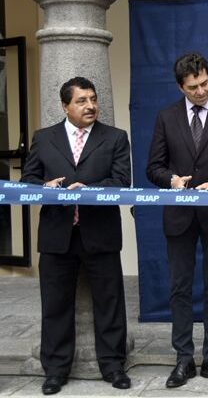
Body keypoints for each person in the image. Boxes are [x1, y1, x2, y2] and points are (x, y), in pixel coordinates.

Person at [21, 77, 132, 395]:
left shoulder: (115, 138)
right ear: (65, 106)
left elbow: (122, 181)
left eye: (93, 99)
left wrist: (91, 190)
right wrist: (46, 187)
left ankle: (113, 366)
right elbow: (29, 180)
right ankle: (55, 371)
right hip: (57, 234)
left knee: (110, 302)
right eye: (82, 101)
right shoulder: (44, 138)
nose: (90, 106)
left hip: (101, 232)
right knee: (55, 304)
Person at [146, 52, 208, 388]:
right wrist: (172, 180)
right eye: (193, 87)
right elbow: (153, 167)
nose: (201, 91)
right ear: (180, 87)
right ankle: (184, 359)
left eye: (204, 83)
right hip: (179, 216)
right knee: (180, 288)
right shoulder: (166, 118)